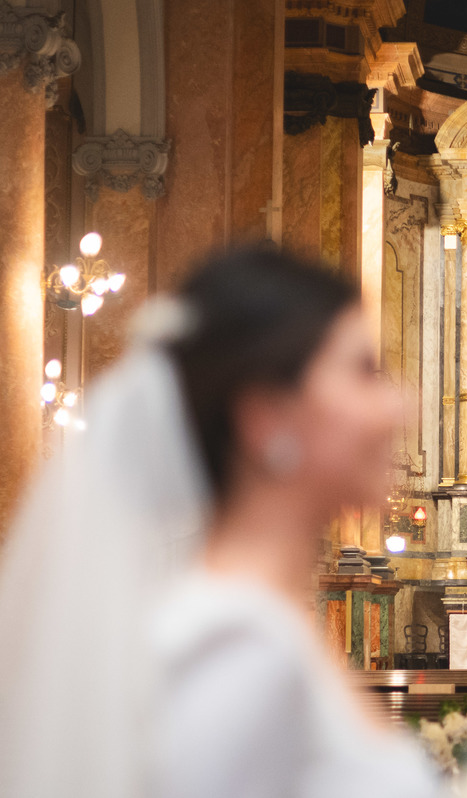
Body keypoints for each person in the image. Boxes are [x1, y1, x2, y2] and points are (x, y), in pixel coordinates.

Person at [0, 247, 441, 798]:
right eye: (364, 372)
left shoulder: (259, 628)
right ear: (266, 415)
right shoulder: (236, 648)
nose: (401, 405)